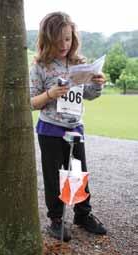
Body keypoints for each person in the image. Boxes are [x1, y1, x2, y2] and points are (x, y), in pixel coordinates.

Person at [30, 11, 107, 242]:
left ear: (73, 38)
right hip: (50, 130)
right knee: (54, 177)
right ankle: (55, 220)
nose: (64, 44)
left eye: (68, 38)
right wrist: (50, 94)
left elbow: (89, 95)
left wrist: (98, 83)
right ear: (47, 39)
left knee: (78, 173)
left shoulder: (79, 63)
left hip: (75, 129)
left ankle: (82, 215)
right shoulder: (40, 67)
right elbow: (31, 102)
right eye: (58, 39)